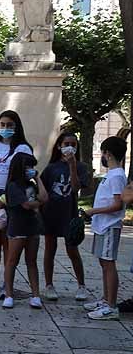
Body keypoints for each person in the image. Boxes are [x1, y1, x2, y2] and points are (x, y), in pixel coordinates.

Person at [0, 110, 34, 299]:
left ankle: (6, 284)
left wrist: (5, 200)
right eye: (2, 124)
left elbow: (25, 178)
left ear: (16, 126)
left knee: (9, 242)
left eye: (10, 125)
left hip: (12, 198)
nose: (6, 128)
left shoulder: (23, 149)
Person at [40, 132, 91, 301]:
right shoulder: (51, 168)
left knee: (72, 250)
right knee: (50, 249)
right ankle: (49, 285)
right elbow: (42, 190)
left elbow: (76, 187)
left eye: (73, 144)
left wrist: (72, 166)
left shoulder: (82, 167)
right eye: (66, 143)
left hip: (69, 214)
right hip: (51, 213)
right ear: (59, 146)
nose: (70, 147)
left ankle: (82, 286)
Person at [84, 136, 127, 320]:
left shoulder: (117, 176)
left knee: (109, 264)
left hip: (110, 225)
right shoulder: (111, 174)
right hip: (102, 226)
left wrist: (94, 211)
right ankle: (105, 298)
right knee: (104, 262)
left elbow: (118, 205)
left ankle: (111, 305)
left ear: (107, 153)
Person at [2, 153, 48, 309]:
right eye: (28, 167)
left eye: (33, 167)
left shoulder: (32, 184)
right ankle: (8, 294)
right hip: (17, 227)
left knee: (32, 261)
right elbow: (26, 205)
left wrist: (38, 179)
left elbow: (44, 197)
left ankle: (35, 295)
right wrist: (38, 203)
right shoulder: (13, 186)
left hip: (33, 227)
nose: (31, 170)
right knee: (12, 261)